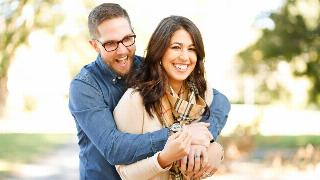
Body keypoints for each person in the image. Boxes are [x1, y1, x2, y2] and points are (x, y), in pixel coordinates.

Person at [68, 3, 230, 180]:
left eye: (128, 39)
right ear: (94, 45)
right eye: (111, 44)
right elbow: (114, 148)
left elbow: (219, 100)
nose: (122, 50)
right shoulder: (84, 86)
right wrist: (181, 133)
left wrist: (205, 138)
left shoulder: (149, 68)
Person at [113, 15, 226, 180]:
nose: (185, 57)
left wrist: (214, 149)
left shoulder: (202, 94)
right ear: (160, 52)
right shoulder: (135, 100)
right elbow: (124, 173)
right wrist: (164, 158)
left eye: (192, 48)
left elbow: (207, 138)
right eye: (176, 47)